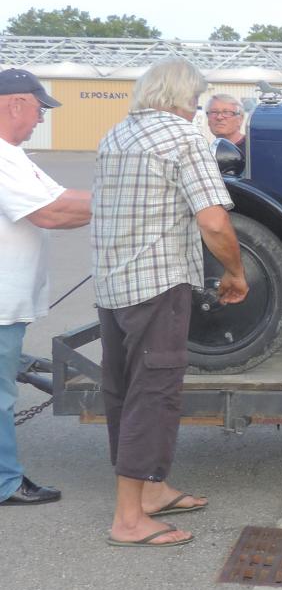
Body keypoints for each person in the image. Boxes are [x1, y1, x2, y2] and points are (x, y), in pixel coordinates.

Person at [92, 57, 248, 547]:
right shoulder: (184, 138)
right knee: (154, 394)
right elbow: (214, 221)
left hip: (113, 286)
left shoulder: (114, 135)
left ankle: (152, 491)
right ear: (182, 98)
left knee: (123, 391)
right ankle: (128, 519)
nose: (198, 110)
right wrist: (236, 272)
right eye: (198, 101)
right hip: (158, 284)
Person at [0, 69, 91, 506]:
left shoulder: (15, 155)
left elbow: (65, 200)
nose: (41, 119)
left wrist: (117, 197)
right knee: (0, 399)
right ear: (15, 103)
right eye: (39, 108)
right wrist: (129, 203)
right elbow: (51, 214)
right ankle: (6, 484)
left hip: (10, 305)